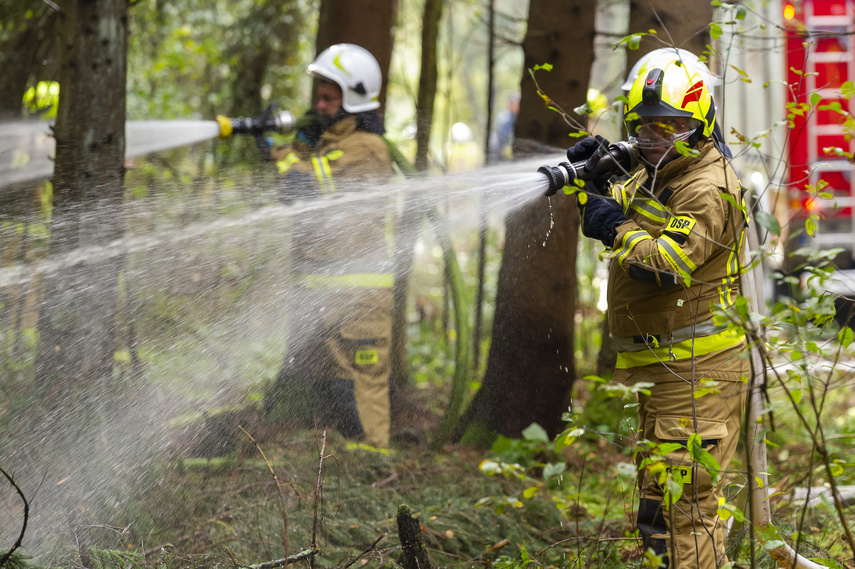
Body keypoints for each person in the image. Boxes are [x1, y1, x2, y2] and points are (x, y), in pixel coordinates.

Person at [568, 53, 749, 568]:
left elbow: (667, 260)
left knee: (684, 513)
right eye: (645, 126)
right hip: (668, 371)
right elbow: (635, 214)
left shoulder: (706, 187)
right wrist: (596, 180)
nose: (653, 138)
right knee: (657, 510)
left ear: (699, 126)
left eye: (669, 127)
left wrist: (612, 225)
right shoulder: (662, 172)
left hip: (698, 377)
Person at [265, 43, 396, 449]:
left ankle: (372, 466)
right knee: (333, 391)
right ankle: (341, 468)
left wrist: (277, 148)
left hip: (360, 300)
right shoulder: (328, 143)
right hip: (327, 296)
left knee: (362, 390)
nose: (319, 105)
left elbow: (306, 184)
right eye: (318, 97)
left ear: (353, 98)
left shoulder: (367, 149)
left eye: (328, 98)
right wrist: (297, 141)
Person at [489, 92, 520, 161]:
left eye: (515, 103)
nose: (513, 105)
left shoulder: (520, 118)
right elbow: (500, 135)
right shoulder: (503, 117)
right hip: (501, 149)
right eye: (511, 102)